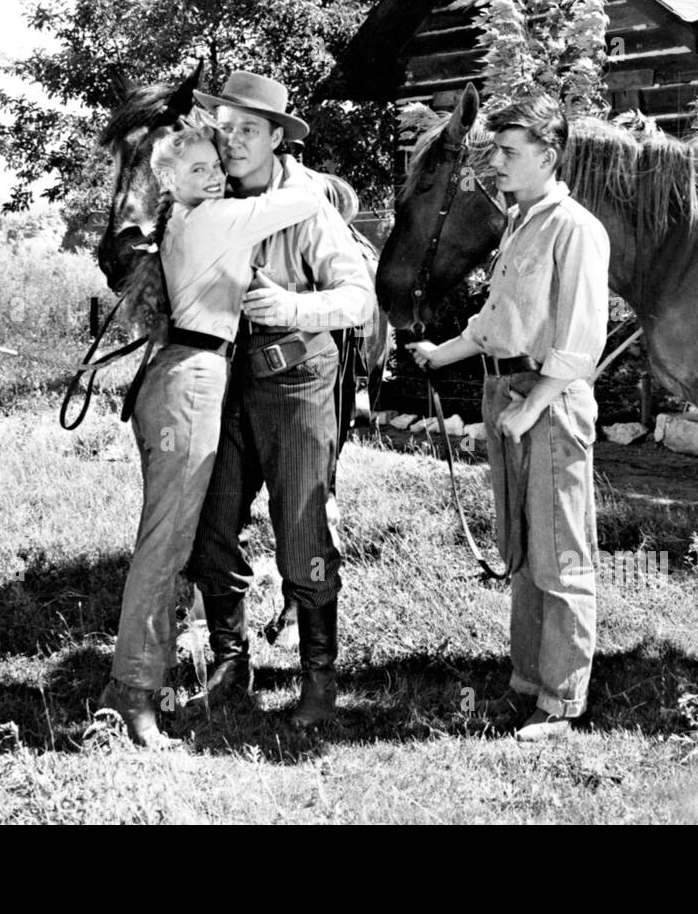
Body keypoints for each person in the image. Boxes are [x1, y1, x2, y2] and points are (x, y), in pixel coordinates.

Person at [100, 122, 321, 748]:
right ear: (168, 180)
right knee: (165, 546)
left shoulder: (183, 219)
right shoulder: (215, 218)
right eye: (197, 168)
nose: (214, 176)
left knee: (170, 540)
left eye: (214, 165)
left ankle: (137, 682)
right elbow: (305, 200)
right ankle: (132, 693)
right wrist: (279, 153)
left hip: (181, 376)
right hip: (191, 383)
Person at [408, 94, 609, 742]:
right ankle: (527, 681)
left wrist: (533, 407)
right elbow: (497, 320)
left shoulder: (575, 227)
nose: (494, 161)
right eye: (493, 149)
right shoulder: (520, 223)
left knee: (560, 554)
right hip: (509, 395)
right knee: (522, 550)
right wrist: (442, 354)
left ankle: (562, 700)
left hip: (546, 400)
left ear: (548, 157)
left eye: (508, 151)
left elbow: (580, 339)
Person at [187, 71, 375, 729]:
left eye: (247, 130)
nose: (233, 142)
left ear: (274, 137)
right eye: (226, 128)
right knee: (208, 528)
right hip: (226, 383)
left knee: (304, 533)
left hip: (298, 379)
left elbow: (359, 298)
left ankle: (319, 682)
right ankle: (229, 667)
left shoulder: (308, 205)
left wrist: (291, 304)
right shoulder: (205, 200)